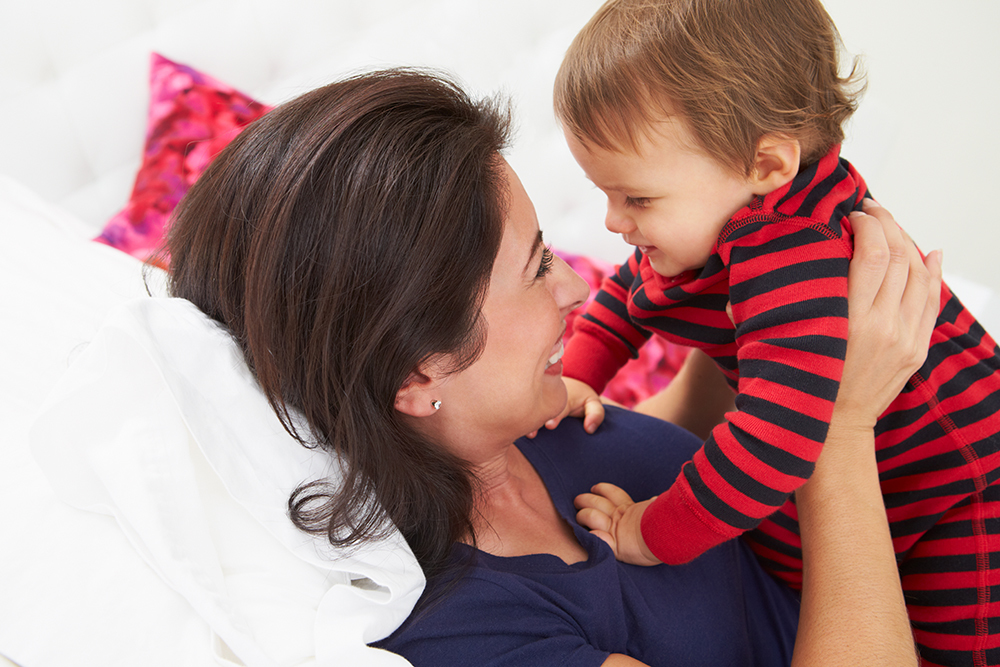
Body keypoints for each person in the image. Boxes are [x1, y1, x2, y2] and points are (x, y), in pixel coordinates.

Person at [166, 69, 929, 666]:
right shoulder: (474, 628)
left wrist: (777, 331)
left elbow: (680, 458)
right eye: (536, 269)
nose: (576, 286)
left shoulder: (521, 423)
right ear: (419, 372)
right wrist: (840, 428)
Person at [551, 1, 1000, 662]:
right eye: (608, 195)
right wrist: (578, 375)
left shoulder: (789, 252)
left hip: (961, 483)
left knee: (955, 643)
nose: (616, 222)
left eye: (637, 199)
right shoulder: (734, 207)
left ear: (767, 165)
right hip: (882, 459)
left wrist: (652, 531)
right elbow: (631, 291)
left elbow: (776, 441)